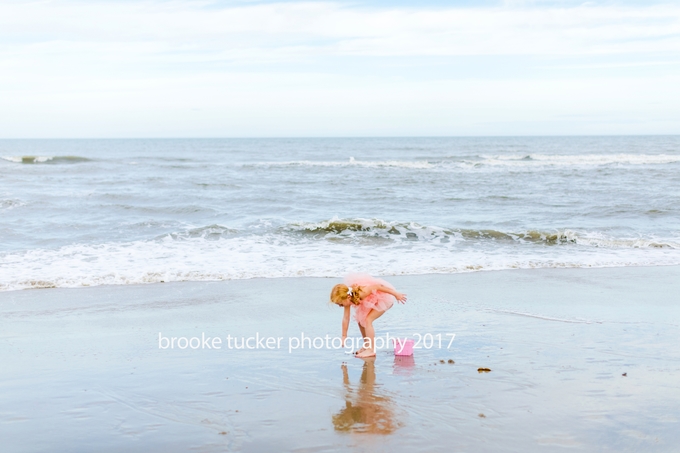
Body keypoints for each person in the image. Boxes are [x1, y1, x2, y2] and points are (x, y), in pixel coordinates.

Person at [329, 274, 407, 358]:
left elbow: (378, 286)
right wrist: (344, 335)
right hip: (373, 301)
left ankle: (371, 349)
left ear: (348, 297)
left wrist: (396, 294)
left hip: (384, 299)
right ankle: (367, 345)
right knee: (360, 320)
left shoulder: (362, 292)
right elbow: (346, 318)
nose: (340, 306)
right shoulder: (348, 300)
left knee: (367, 320)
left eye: (340, 303)